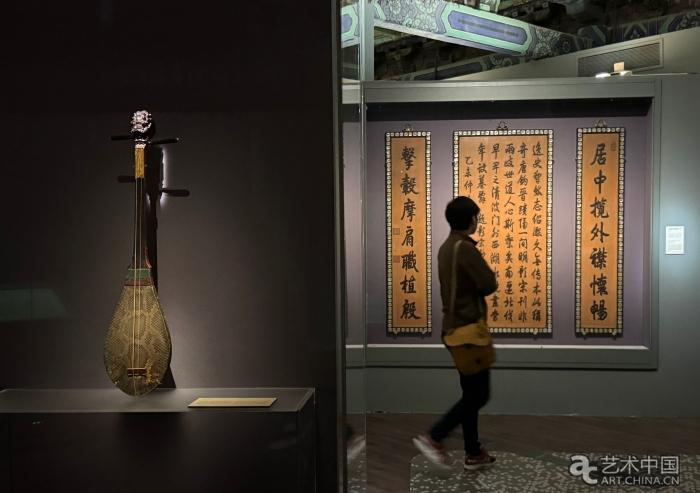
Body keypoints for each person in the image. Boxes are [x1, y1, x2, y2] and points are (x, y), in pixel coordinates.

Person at [413, 196, 497, 471]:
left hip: (453, 329)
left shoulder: (446, 247)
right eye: (476, 216)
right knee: (479, 395)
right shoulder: (465, 249)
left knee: (470, 393)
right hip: (468, 331)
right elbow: (488, 283)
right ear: (471, 219)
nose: (477, 221)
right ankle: (435, 436)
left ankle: (473, 452)